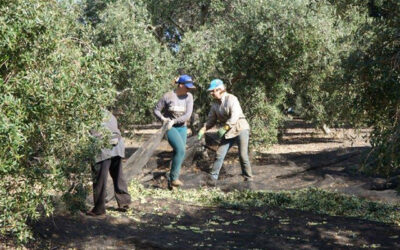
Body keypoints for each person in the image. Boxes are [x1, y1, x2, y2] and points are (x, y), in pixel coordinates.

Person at [198, 79, 253, 183]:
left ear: (220, 90)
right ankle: (213, 179)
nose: (211, 93)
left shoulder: (232, 99)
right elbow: (211, 120)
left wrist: (226, 127)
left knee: (242, 155)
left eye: (213, 91)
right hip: (228, 132)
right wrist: (203, 129)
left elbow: (235, 115)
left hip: (240, 127)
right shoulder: (215, 104)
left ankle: (249, 179)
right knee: (219, 154)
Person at [154, 74, 196, 189]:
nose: (189, 89)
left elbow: (187, 115)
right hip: (169, 127)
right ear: (181, 85)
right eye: (187, 87)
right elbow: (156, 110)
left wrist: (175, 121)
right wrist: (163, 119)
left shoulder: (189, 97)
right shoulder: (168, 96)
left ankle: (172, 183)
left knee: (180, 153)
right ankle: (174, 178)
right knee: (180, 149)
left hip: (182, 127)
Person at [87, 110, 131, 216]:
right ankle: (124, 203)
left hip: (103, 147)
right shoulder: (108, 113)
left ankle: (99, 209)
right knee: (118, 175)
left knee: (100, 179)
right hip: (117, 145)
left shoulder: (88, 114)